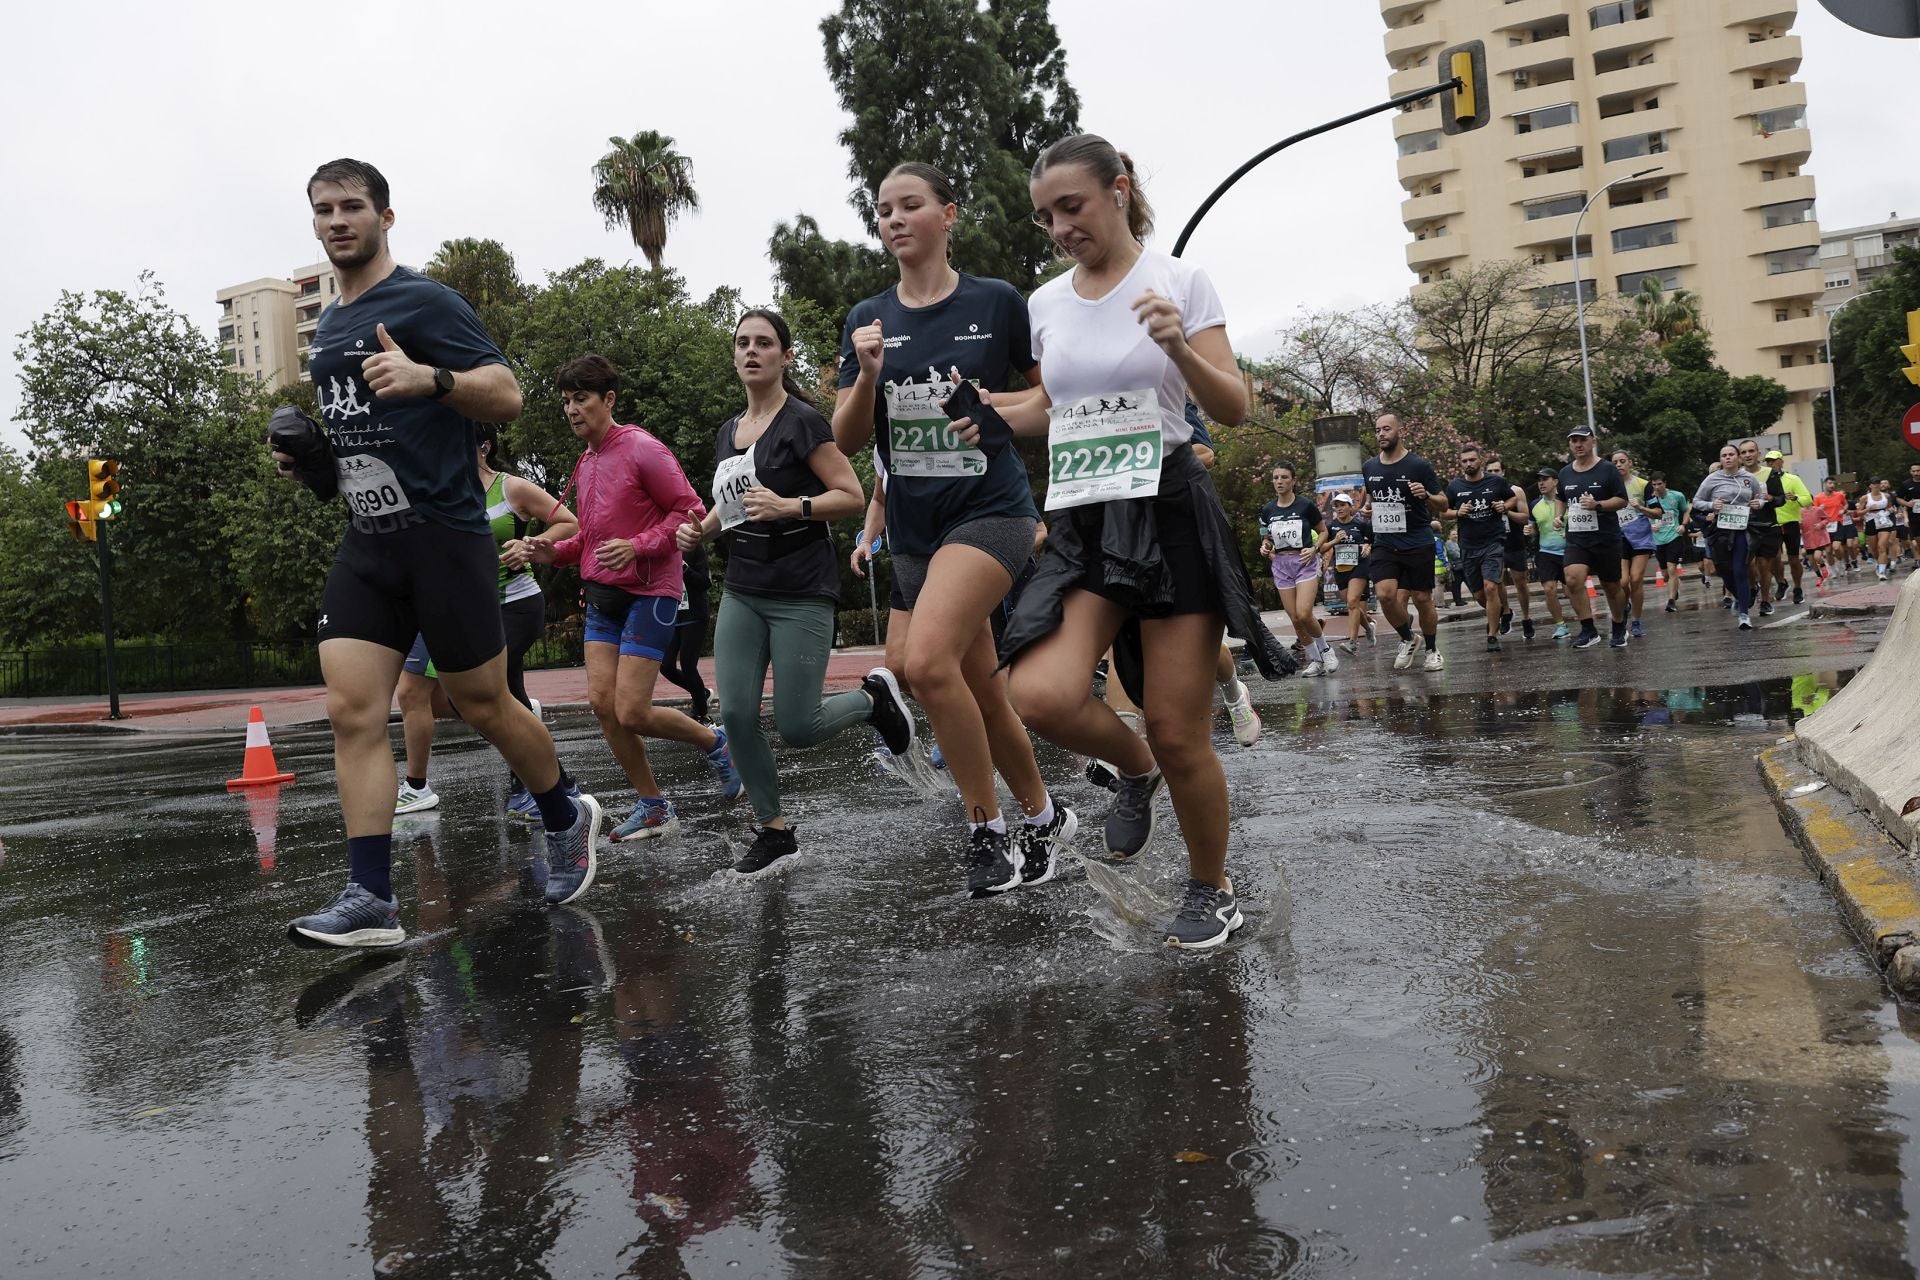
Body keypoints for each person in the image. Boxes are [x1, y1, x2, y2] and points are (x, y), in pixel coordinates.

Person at [279, 158, 602, 943]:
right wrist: (315, 461)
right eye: (323, 210)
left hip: (447, 539)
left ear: (385, 217)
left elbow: (507, 392)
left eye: (351, 206)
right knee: (352, 710)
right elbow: (369, 440)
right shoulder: (327, 328)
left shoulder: (425, 301)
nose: (335, 221)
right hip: (369, 541)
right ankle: (371, 899)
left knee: (485, 704)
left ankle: (565, 813)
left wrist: (431, 377)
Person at [992, 132, 1292, 948]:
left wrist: (1178, 349)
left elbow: (1233, 407)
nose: (1059, 227)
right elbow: (1048, 407)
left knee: (1177, 724)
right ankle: (1134, 769)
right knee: (1042, 693)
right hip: (1088, 518)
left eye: (1072, 207)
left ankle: (1211, 885)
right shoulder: (1044, 303)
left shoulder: (1181, 281)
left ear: (1118, 191)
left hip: (1166, 506)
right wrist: (988, 409)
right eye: (1046, 216)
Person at [832, 161, 1074, 897]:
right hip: (914, 525)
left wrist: (994, 407)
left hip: (993, 510)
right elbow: (843, 438)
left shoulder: (997, 303)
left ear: (949, 215)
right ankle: (1044, 813)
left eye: (910, 205)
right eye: (883, 210)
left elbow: (1049, 397)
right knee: (982, 689)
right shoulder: (867, 320)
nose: (895, 219)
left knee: (926, 664)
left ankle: (986, 829)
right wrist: (869, 376)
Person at [676, 308, 920, 879]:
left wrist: (793, 506)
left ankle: (873, 703)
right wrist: (701, 530)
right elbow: (734, 504)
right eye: (742, 343)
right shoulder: (728, 431)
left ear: (785, 357)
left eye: (764, 343)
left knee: (799, 725)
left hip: (801, 589)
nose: (751, 351)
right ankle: (773, 829)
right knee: (734, 712)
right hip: (744, 588)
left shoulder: (803, 423)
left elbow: (852, 494)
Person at [524, 355, 743, 842]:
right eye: (566, 401)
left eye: (582, 399)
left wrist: (639, 545)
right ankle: (653, 805)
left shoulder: (643, 448)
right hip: (603, 599)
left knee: (633, 710)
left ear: (609, 400)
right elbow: (587, 540)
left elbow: (691, 510)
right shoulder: (587, 461)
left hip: (651, 593)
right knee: (604, 705)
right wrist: (549, 551)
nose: (572, 410)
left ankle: (715, 742)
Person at [394, 425, 583, 822]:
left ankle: (547, 788)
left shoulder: (511, 488)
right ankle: (552, 785)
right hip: (471, 613)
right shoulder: (445, 494)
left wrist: (529, 546)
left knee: (483, 696)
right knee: (490, 700)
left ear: (483, 447)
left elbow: (570, 523)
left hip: (515, 606)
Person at [1361, 414, 1449, 672]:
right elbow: (1373, 500)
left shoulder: (1418, 465)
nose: (1381, 434)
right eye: (1377, 430)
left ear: (1401, 431)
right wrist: (1368, 510)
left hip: (1417, 540)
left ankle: (1432, 649)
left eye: (1386, 429)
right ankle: (1410, 639)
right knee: (1385, 596)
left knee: (1422, 598)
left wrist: (1427, 495)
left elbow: (1443, 503)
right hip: (1385, 541)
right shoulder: (1370, 467)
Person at [1555, 425, 1630, 650]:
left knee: (1611, 586)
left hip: (1605, 537)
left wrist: (1598, 505)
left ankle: (1618, 626)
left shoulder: (1607, 469)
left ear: (1593, 442)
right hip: (1577, 538)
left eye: (1582, 440)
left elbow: (1622, 500)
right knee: (1572, 578)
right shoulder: (1565, 472)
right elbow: (1560, 497)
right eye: (1574, 441)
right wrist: (1558, 516)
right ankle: (1588, 629)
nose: (1578, 445)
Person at [1443, 442, 1523, 654]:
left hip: (1493, 542)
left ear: (1480, 460)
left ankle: (1492, 636)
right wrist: (1458, 513)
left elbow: (1512, 497)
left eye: (1472, 460)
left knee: (1490, 587)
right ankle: (1497, 614)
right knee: (1479, 595)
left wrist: (1504, 506)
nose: (1468, 464)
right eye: (1464, 461)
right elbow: (1443, 512)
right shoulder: (1455, 487)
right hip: (1468, 546)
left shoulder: (1496, 482)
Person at [1258, 461, 1335, 675]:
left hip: (1304, 561)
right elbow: (1267, 538)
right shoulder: (1268, 510)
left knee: (1303, 613)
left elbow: (1323, 531)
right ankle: (1316, 661)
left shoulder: (1305, 506)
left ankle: (1326, 650)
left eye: (1284, 477)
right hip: (1281, 565)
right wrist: (1265, 548)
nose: (1279, 481)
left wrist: (1315, 549)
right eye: (1276, 478)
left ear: (1293, 481)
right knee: (1294, 617)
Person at [1693, 445, 1768, 629]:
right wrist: (1712, 504)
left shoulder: (1749, 479)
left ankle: (1744, 614)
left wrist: (1759, 503)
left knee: (1739, 569)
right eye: (1724, 455)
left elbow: (1760, 498)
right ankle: (1743, 596)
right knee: (1723, 570)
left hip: (1742, 529)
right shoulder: (1712, 479)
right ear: (1721, 459)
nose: (1727, 458)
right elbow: (1696, 502)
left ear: (1738, 458)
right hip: (1720, 530)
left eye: (1731, 455)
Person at [657, 540, 713, 723]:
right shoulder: (660, 548)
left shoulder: (694, 547)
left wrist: (684, 568)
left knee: (688, 665)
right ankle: (701, 693)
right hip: (672, 615)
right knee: (666, 666)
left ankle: (702, 714)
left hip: (694, 614)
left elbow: (705, 583)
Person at [1609, 449, 1658, 638]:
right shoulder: (1608, 486)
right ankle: (1626, 603)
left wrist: (1640, 507)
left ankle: (1636, 621)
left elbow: (1658, 512)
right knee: (1622, 582)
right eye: (1615, 462)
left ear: (1630, 463)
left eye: (1622, 461)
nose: (1619, 465)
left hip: (1640, 538)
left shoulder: (1643, 485)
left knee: (1636, 579)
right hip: (1618, 537)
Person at [1486, 457, 1534, 640]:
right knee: (1496, 581)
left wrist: (1506, 510)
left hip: (1514, 540)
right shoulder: (1484, 491)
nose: (1493, 474)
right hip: (1494, 542)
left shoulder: (1515, 491)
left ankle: (1526, 618)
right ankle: (1506, 612)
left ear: (1503, 472)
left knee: (1520, 581)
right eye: (1489, 471)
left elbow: (1525, 518)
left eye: (1496, 471)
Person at [1320, 492, 1374, 653]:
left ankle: (1353, 642)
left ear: (1351, 507)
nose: (1339, 508)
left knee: (1352, 603)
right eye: (1336, 506)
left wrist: (1368, 546)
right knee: (1353, 606)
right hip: (1341, 568)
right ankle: (1369, 628)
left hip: (1360, 565)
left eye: (1343, 505)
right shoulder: (1330, 526)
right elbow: (1321, 548)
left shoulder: (1361, 524)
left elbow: (1371, 541)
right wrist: (1335, 540)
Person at [1737, 440, 1785, 616]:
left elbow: (1781, 499)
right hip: (1745, 526)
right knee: (1748, 563)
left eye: (1751, 451)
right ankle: (1752, 587)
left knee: (1764, 565)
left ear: (1758, 453)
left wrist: (1770, 498)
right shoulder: (1736, 476)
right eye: (1744, 452)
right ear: (1740, 457)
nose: (1748, 455)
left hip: (1767, 526)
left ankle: (1765, 600)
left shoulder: (1770, 474)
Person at [1765, 448, 1814, 605]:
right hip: (1772, 524)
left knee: (1793, 559)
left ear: (1781, 461)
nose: (1771, 464)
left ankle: (1798, 588)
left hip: (1790, 522)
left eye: (1774, 460)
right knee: (1773, 558)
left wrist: (1796, 497)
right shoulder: (1764, 480)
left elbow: (1808, 500)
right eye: (1768, 461)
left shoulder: (1793, 479)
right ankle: (1781, 582)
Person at [1531, 468, 1570, 641]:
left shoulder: (1568, 501)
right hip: (1546, 552)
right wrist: (1529, 530)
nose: (1541, 483)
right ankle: (1560, 625)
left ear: (1555, 481)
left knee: (1572, 591)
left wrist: (1569, 534)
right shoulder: (1534, 505)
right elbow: (1533, 528)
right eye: (1539, 480)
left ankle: (1586, 622)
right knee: (1549, 589)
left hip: (1570, 551)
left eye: (1545, 479)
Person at [1647, 473, 1691, 612]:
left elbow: (1686, 511)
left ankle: (1671, 601)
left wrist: (1683, 525)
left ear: (1665, 483)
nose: (1657, 487)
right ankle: (1674, 588)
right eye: (1654, 484)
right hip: (1659, 539)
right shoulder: (1650, 500)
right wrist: (1651, 526)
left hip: (1674, 536)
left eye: (1659, 484)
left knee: (1672, 567)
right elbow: (1646, 516)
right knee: (1665, 574)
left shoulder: (1677, 496)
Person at [1809, 477, 1851, 587]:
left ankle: (1841, 563)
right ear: (1825, 484)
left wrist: (1844, 510)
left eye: (1834, 483)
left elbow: (1846, 504)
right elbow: (1814, 512)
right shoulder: (1818, 497)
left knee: (1836, 547)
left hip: (1838, 523)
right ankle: (1832, 569)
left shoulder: (1839, 495)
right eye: (1830, 483)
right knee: (1828, 551)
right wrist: (1819, 509)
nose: (1832, 485)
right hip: (1825, 526)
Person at [1861, 479, 1897, 580]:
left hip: (1884, 522)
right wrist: (1868, 509)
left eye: (1878, 483)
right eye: (1874, 484)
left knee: (1881, 546)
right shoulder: (1865, 498)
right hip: (1871, 522)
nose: (1877, 485)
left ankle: (1882, 572)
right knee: (1874, 549)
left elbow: (1890, 507)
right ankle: (1879, 562)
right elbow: (1859, 512)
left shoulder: (1886, 496)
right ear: (1870, 486)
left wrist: (1890, 510)